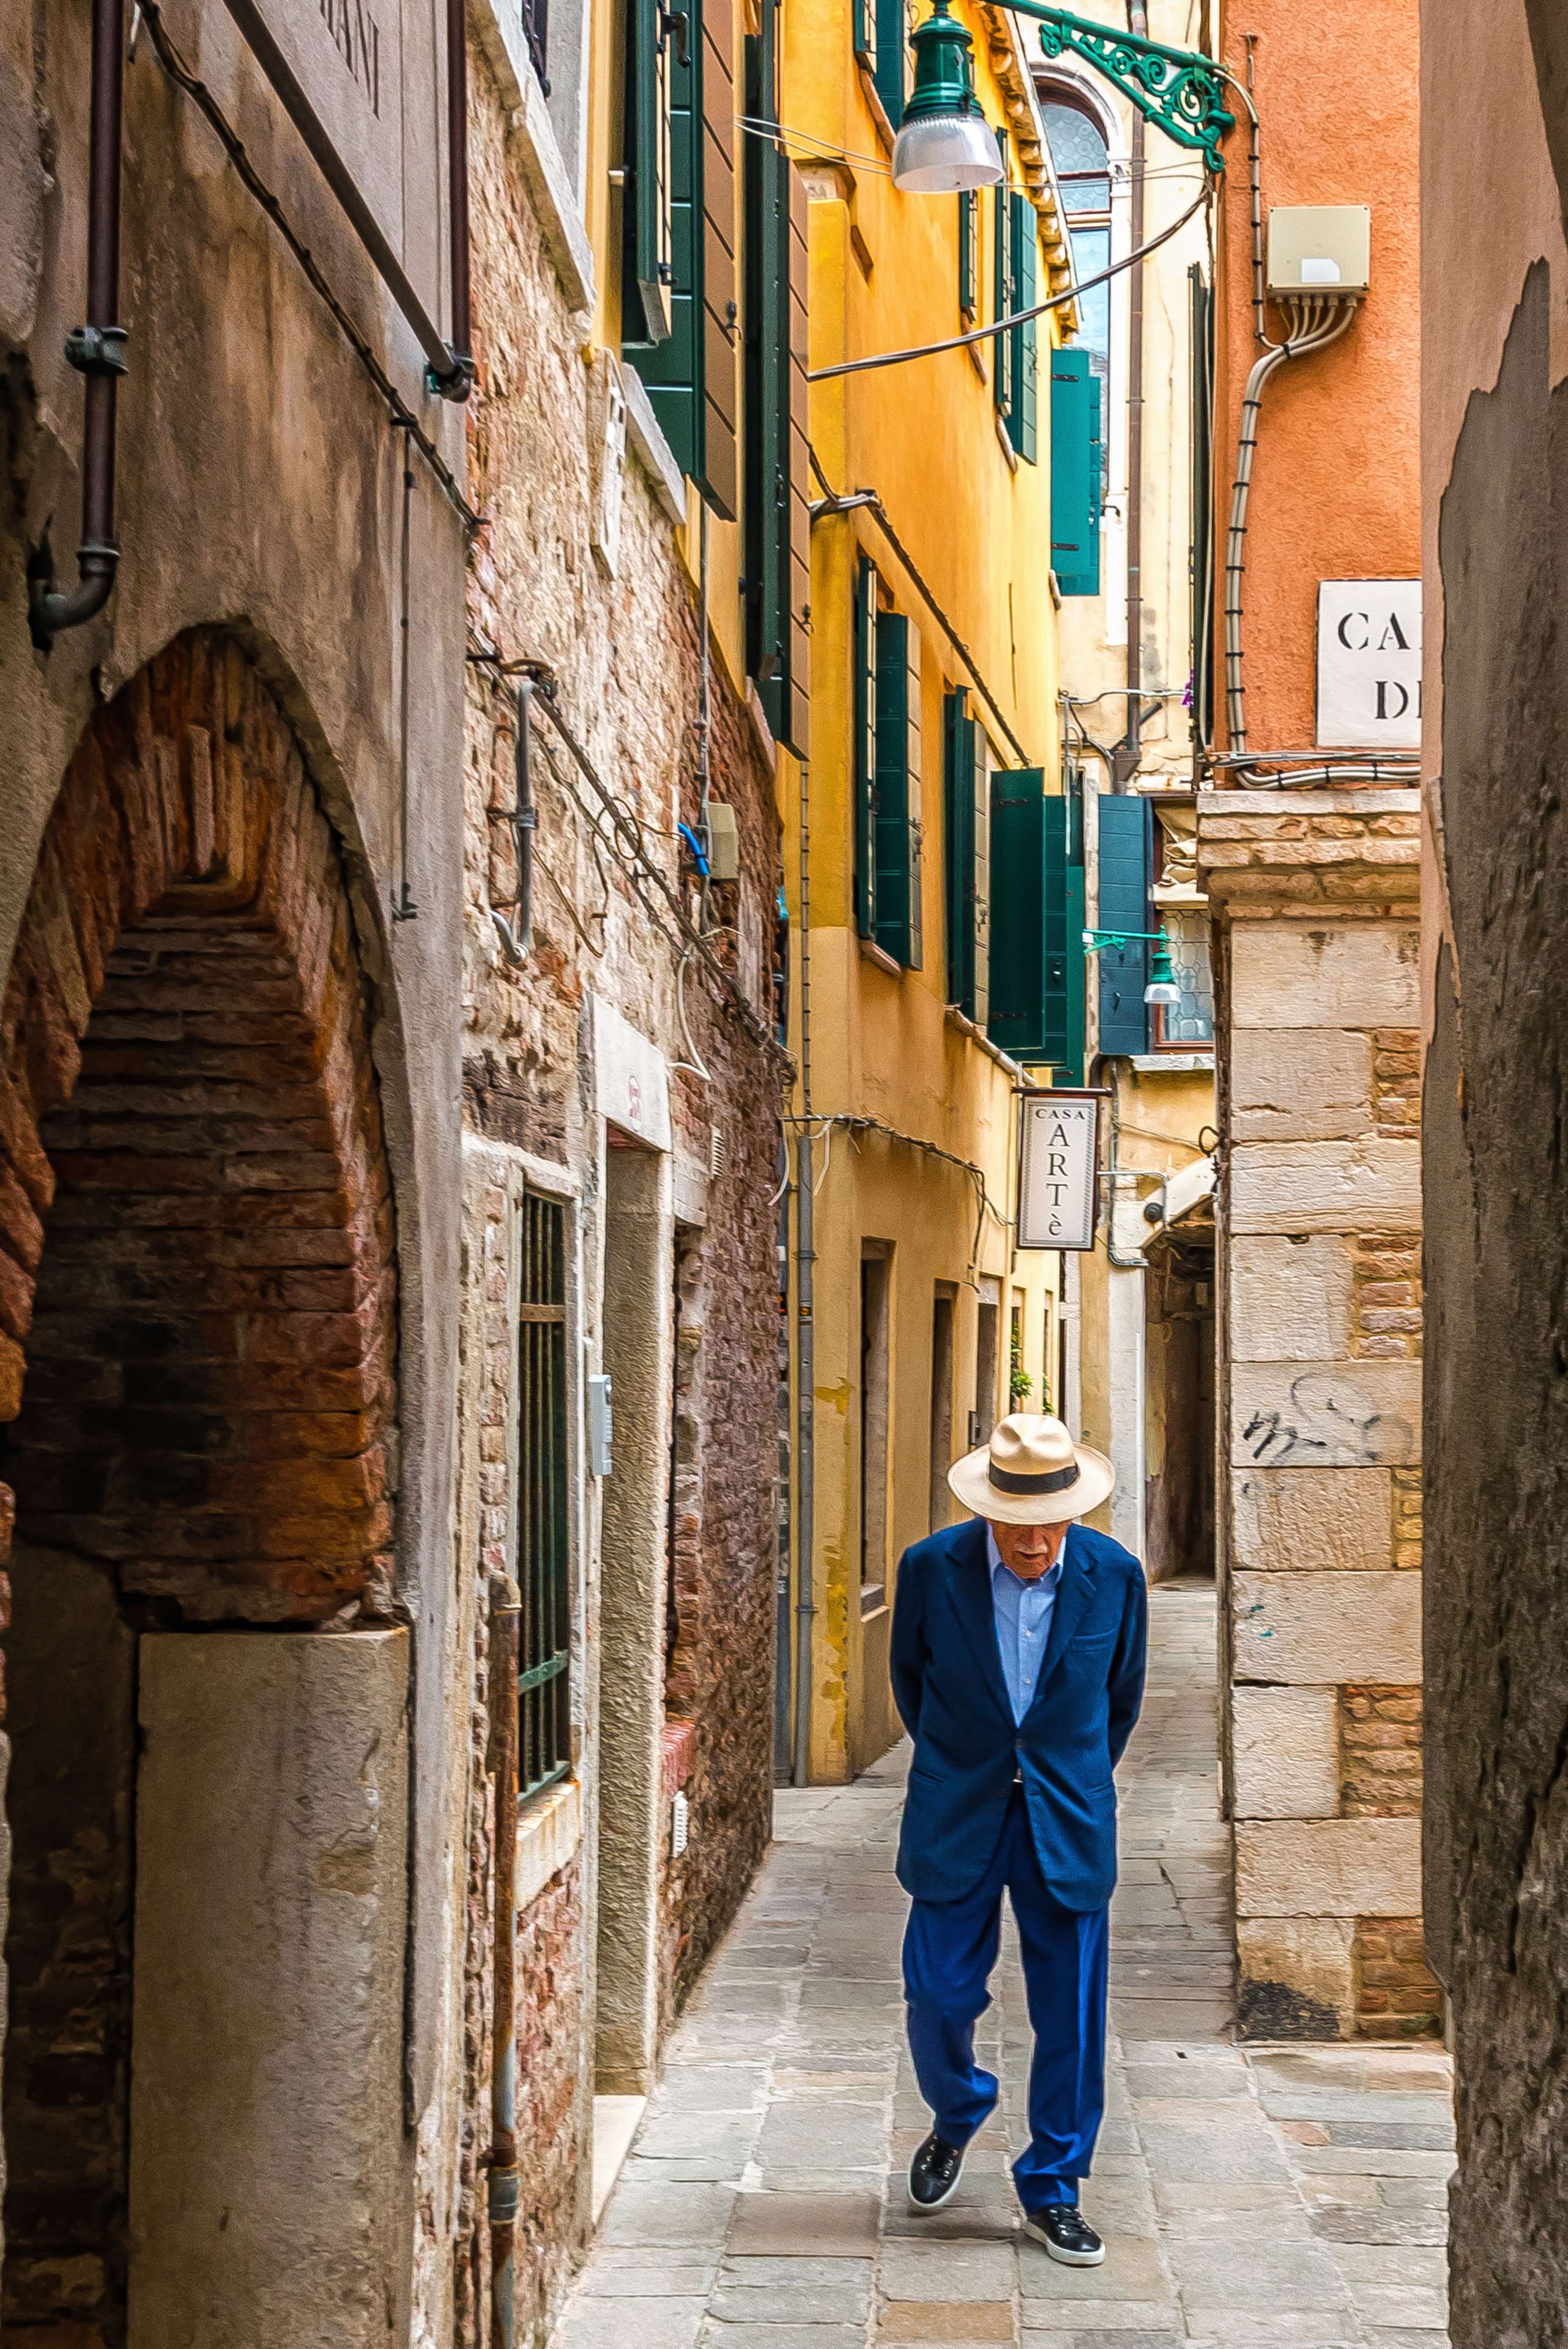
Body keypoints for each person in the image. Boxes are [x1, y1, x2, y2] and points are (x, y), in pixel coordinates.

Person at [889, 1411, 1148, 2265]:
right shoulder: (931, 1570)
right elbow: (911, 1685)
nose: (1034, 1544)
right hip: (958, 1808)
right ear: (987, 1508)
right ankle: (958, 2109)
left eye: (1050, 1525)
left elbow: (1120, 1701)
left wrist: (1062, 1776)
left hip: (1065, 1818)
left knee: (1070, 2011)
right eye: (1016, 1525)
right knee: (936, 1993)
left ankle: (1054, 2188)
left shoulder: (1116, 1577)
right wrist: (968, 1763)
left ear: (1074, 1511)